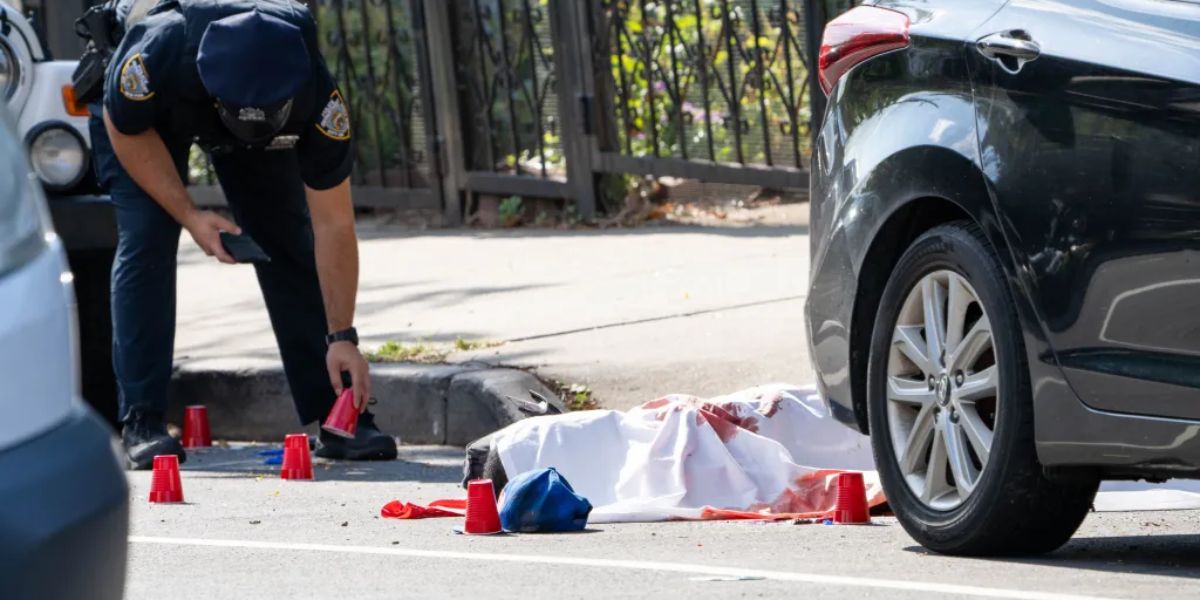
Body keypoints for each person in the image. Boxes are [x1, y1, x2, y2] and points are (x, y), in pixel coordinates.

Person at [90, 0, 398, 469]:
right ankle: (142, 421)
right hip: (147, 118)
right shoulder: (159, 50)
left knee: (288, 241)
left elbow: (333, 224)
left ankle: (334, 417)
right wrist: (191, 215)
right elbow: (124, 125)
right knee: (147, 240)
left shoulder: (314, 94)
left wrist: (343, 335)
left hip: (251, 106)